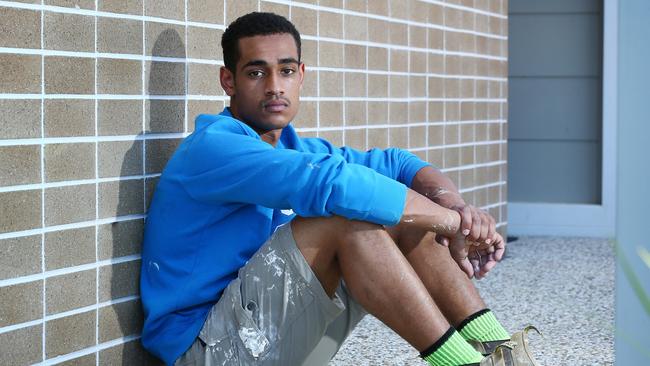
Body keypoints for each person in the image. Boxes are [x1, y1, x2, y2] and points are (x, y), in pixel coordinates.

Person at [140, 12, 539, 366]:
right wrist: (455, 224)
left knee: (402, 214)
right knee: (346, 220)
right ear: (229, 80)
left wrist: (452, 204)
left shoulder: (293, 148)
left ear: (302, 75)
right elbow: (333, 184)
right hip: (206, 350)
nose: (275, 86)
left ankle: (498, 351)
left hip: (264, 336)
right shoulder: (216, 147)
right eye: (256, 72)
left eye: (287, 70)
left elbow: (399, 164)